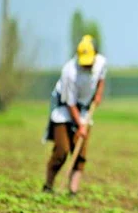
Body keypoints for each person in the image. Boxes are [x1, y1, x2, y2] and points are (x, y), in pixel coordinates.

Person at [42, 35, 107, 195]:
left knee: (80, 152)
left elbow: (101, 79)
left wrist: (98, 93)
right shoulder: (69, 72)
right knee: (62, 151)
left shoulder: (101, 62)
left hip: (84, 108)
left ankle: (73, 191)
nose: (86, 65)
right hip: (64, 108)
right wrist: (80, 125)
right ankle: (48, 186)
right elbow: (70, 103)